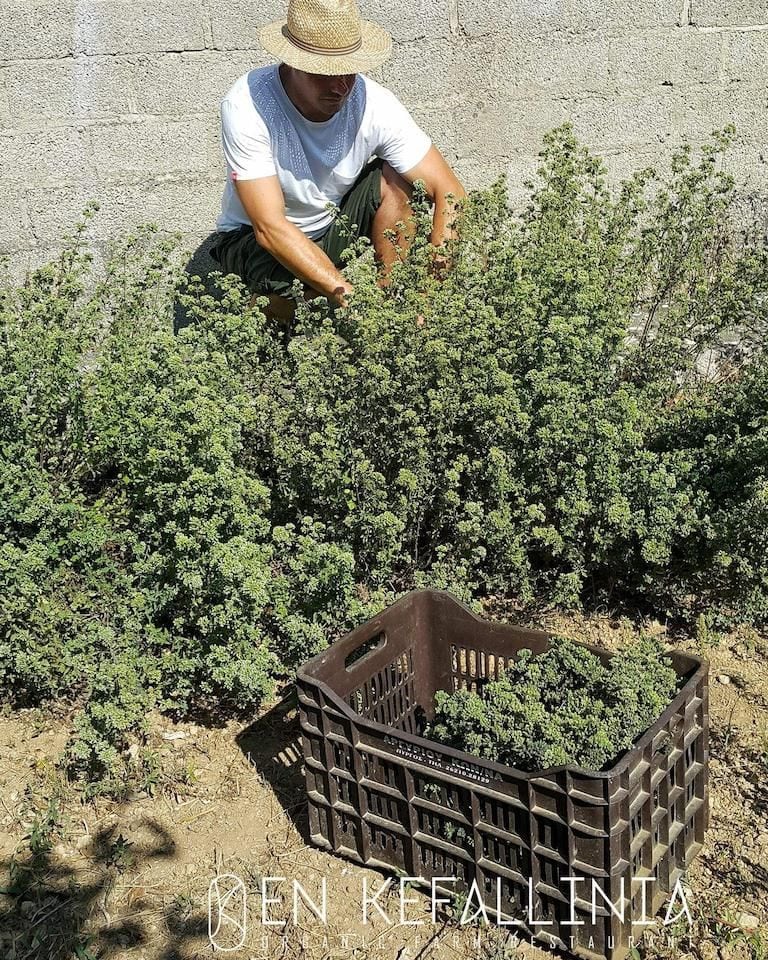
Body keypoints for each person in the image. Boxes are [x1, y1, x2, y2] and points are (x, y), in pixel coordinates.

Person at [209, 0, 467, 321]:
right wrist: (348, 296)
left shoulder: (374, 102)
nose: (340, 86)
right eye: (325, 73)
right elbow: (269, 227)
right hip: (252, 238)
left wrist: (430, 288)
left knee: (400, 181)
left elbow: (451, 193)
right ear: (291, 63)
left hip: (331, 225)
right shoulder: (248, 104)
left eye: (348, 70)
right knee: (312, 298)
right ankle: (261, 326)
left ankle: (395, 314)